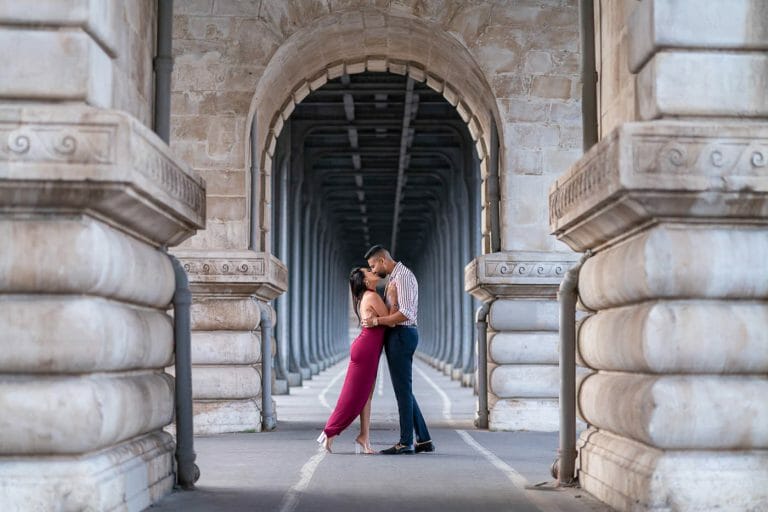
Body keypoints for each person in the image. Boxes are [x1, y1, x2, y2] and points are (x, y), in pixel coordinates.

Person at [361, 245, 434, 455]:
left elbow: (406, 314)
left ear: (383, 260)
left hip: (402, 334)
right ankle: (424, 439)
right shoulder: (396, 277)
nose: (373, 271)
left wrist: (376, 321)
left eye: (374, 265)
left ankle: (405, 442)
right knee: (405, 389)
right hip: (400, 335)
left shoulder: (402, 277)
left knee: (402, 391)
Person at [317, 266, 389, 454]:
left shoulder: (368, 296)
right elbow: (391, 319)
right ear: (366, 281)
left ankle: (364, 437)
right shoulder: (372, 296)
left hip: (367, 349)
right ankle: (329, 432)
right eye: (369, 272)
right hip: (366, 350)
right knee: (353, 396)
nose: (373, 272)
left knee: (365, 395)